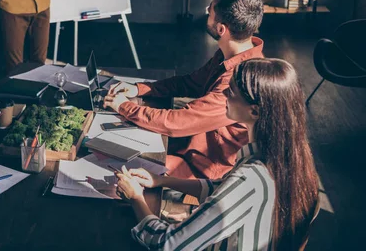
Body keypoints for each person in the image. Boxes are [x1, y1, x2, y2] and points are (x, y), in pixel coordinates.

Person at [115, 58, 320, 250]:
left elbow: (168, 244)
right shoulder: (287, 157)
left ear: (255, 112)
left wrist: (135, 197)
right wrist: (161, 181)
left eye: (231, 92)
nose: (223, 96)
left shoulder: (251, 178)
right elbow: (221, 187)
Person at [104, 0, 264, 179]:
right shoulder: (232, 55)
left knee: (118, 166)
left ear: (222, 29)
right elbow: (189, 83)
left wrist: (124, 107)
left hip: (206, 168)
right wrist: (139, 88)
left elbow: (177, 123)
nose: (207, 9)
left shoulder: (238, 82)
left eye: (211, 8)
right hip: (191, 145)